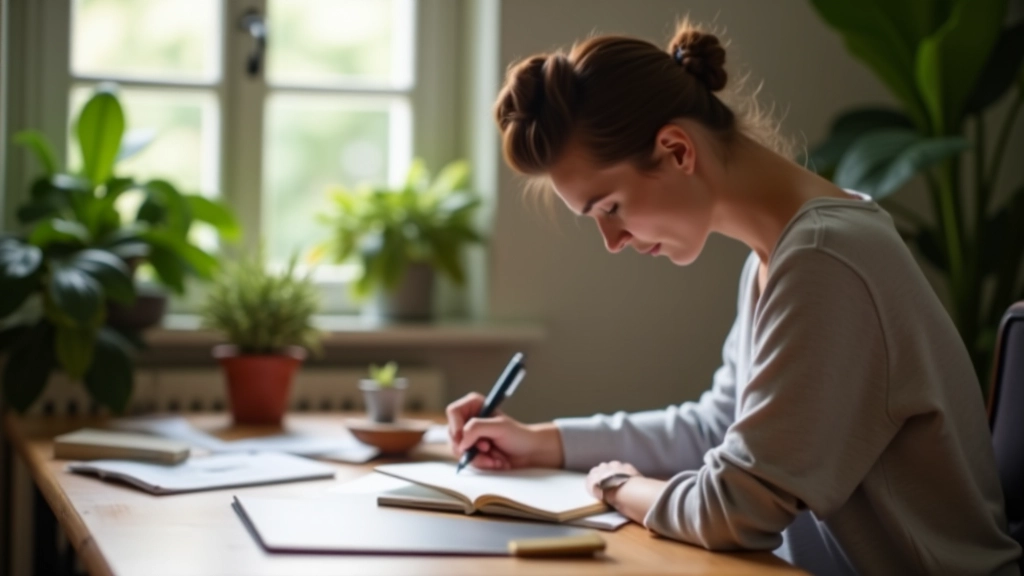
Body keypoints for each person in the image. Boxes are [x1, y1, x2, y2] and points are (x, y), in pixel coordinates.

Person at [445, 19, 1023, 576]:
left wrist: (618, 487)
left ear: (676, 150)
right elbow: (716, 428)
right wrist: (541, 442)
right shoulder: (778, 257)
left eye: (610, 207)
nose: (613, 241)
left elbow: (735, 510)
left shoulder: (827, 261)